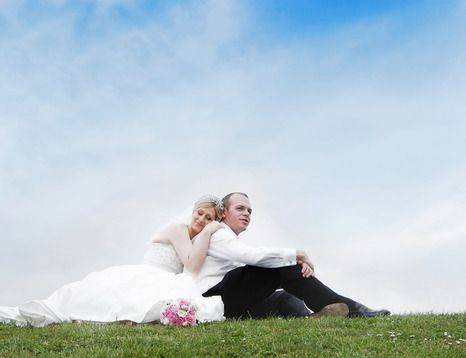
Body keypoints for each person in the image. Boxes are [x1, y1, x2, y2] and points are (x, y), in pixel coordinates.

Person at [0, 195, 226, 327]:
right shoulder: (179, 229)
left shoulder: (194, 238)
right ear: (193, 211)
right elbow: (191, 266)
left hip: (164, 278)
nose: (202, 219)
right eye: (200, 213)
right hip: (149, 273)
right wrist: (208, 232)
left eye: (209, 219)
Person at [197, 192, 391, 319]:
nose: (247, 213)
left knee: (286, 297)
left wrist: (293, 268)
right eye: (240, 208)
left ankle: (309, 319)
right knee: (281, 266)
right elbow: (250, 256)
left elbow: (253, 257)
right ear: (223, 213)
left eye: (249, 210)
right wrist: (296, 256)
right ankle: (356, 311)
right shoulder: (217, 232)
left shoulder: (230, 238)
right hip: (218, 300)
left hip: (235, 306)